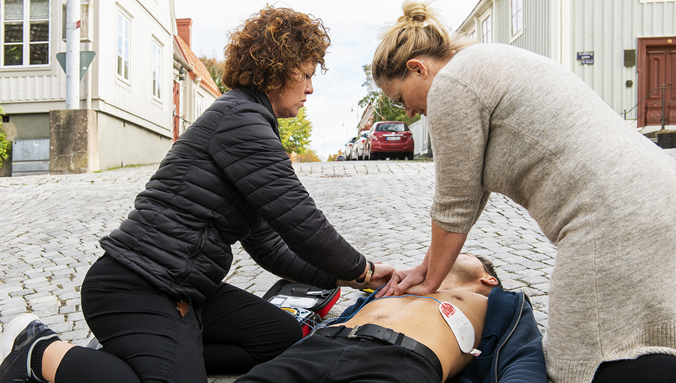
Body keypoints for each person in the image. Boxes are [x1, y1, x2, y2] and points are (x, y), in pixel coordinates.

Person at [0, 6, 394, 383]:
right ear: (276, 70)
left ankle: (137, 356)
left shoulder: (248, 119)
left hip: (187, 288)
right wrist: (365, 271)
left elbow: (270, 246)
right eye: (305, 74)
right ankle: (38, 350)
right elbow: (301, 221)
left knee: (281, 339)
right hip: (136, 285)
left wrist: (354, 280)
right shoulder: (241, 122)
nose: (310, 87)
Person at [371, 2, 676, 383]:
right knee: (644, 337)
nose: (411, 112)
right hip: (660, 191)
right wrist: (426, 266)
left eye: (401, 98)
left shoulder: (451, 84)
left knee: (578, 362)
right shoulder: (487, 59)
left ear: (418, 68)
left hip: (611, 216)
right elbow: (470, 194)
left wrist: (430, 282)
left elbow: (455, 203)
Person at [234, 253, 546, 383]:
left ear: (487, 278)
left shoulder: (502, 302)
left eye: (465, 252)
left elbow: (523, 357)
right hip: (319, 349)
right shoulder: (401, 287)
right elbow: (341, 316)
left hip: (401, 360)